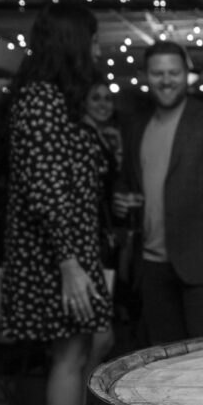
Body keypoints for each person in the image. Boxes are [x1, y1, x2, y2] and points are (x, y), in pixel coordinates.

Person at [2, 0, 111, 405]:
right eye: (92, 39)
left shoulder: (57, 99)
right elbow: (44, 189)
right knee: (69, 353)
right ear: (73, 43)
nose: (98, 49)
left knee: (83, 346)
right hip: (53, 253)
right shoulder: (41, 99)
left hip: (70, 247)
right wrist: (69, 262)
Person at [114, 41, 203, 345]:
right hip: (150, 265)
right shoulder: (136, 125)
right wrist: (120, 199)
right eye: (157, 73)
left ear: (186, 74)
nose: (166, 80)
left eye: (173, 73)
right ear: (146, 76)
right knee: (162, 357)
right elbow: (129, 182)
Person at [81, 80, 123, 373]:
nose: (103, 104)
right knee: (98, 337)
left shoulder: (104, 137)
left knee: (101, 337)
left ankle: (83, 392)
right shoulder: (83, 136)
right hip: (88, 241)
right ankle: (83, 394)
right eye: (95, 97)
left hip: (103, 239)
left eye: (108, 98)